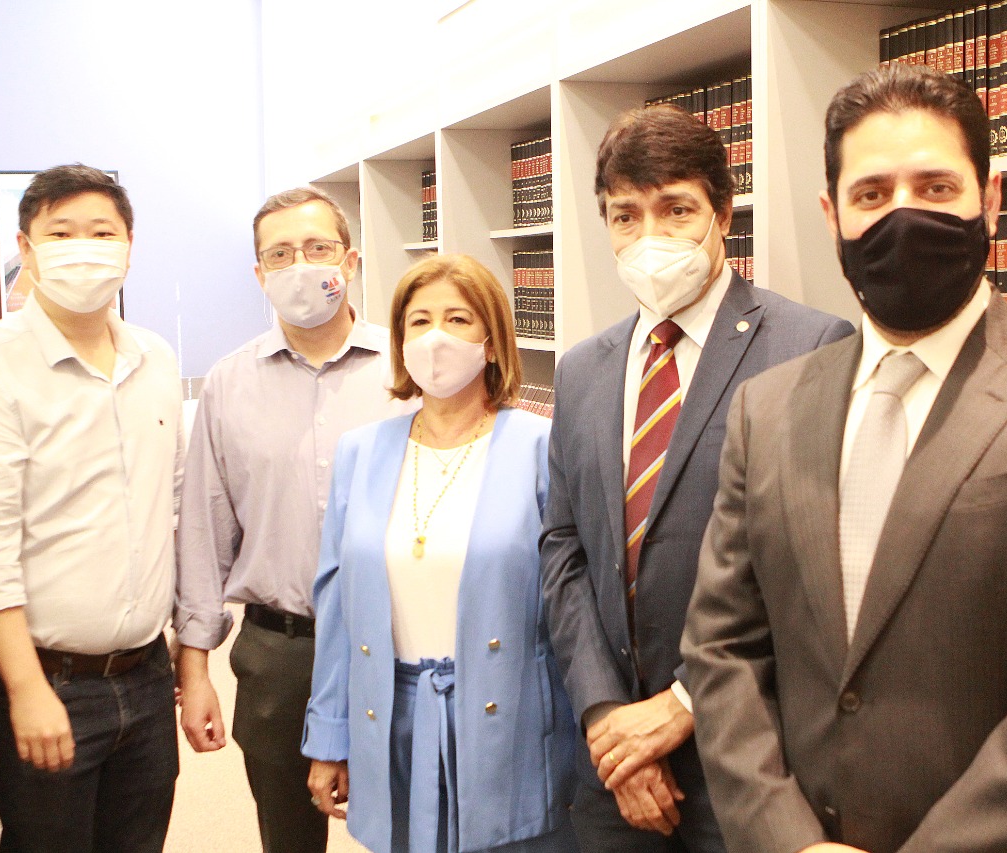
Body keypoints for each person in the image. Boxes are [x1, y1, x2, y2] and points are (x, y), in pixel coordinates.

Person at [682, 62, 1007, 853]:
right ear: (831, 214)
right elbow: (720, 649)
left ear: (991, 199)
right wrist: (788, 840)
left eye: (936, 187)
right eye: (872, 194)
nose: (903, 216)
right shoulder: (764, 410)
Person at [539, 104, 854, 850]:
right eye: (626, 216)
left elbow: (814, 566)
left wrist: (683, 703)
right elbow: (564, 550)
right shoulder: (582, 369)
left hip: (751, 765)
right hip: (612, 769)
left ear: (723, 213)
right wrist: (606, 715)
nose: (649, 236)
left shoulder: (811, 347)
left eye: (676, 210)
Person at [0, 164, 183, 852]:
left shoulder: (154, 359)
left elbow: (170, 504)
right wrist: (25, 686)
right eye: (61, 233)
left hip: (147, 676)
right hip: (47, 680)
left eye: (102, 232)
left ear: (129, 245)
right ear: (26, 247)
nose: (83, 248)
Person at [303, 254, 578, 853]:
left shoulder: (541, 446)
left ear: (492, 341)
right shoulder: (360, 452)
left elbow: (574, 608)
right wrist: (328, 737)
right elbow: (338, 607)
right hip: (392, 712)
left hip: (511, 712)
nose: (436, 338)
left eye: (457, 319)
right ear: (400, 344)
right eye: (419, 321)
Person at [174, 186, 413, 853]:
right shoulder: (229, 383)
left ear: (351, 261)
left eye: (317, 248)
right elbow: (204, 533)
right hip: (280, 653)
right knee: (288, 839)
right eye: (280, 255)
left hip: (401, 643)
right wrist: (195, 668)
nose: (300, 265)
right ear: (260, 274)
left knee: (415, 828)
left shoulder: (410, 368)